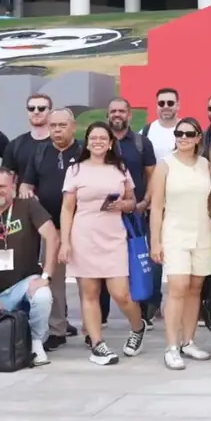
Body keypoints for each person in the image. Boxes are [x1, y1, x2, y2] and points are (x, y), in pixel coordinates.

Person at [60, 122, 148, 366]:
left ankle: (137, 327)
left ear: (110, 143)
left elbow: (132, 201)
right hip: (84, 234)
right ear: (86, 142)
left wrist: (124, 205)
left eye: (103, 138)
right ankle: (97, 344)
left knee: (121, 294)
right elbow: (67, 209)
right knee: (89, 294)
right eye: (93, 137)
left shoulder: (119, 169)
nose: (97, 141)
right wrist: (65, 242)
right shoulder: (75, 170)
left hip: (114, 235)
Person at [0, 168, 58, 366]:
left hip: (27, 282)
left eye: (2, 186)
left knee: (42, 294)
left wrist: (46, 275)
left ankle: (36, 343)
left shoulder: (28, 206)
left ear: (13, 188)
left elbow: (52, 236)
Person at [148, 116, 211, 370]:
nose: (184, 138)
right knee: (177, 287)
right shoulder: (164, 165)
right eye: (179, 133)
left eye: (189, 134)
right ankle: (172, 346)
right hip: (175, 233)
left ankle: (189, 341)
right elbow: (156, 207)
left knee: (195, 288)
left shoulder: (205, 164)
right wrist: (155, 242)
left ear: (199, 137)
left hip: (203, 233)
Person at [22, 107, 86, 350]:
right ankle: (57, 329)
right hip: (51, 229)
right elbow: (27, 183)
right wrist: (26, 192)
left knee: (87, 280)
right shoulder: (40, 152)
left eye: (62, 126)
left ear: (73, 127)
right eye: (53, 126)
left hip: (83, 226)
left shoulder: (84, 152)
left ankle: (91, 330)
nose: (57, 130)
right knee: (54, 281)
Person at [109, 96, 160, 324]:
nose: (116, 115)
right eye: (113, 111)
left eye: (121, 111)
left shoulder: (141, 142)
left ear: (129, 115)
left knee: (141, 260)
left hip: (136, 214)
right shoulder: (100, 141)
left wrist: (145, 202)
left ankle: (146, 312)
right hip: (107, 214)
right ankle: (102, 316)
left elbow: (152, 176)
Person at [5, 93, 55, 193]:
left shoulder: (59, 142)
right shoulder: (15, 145)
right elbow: (8, 179)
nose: (36, 112)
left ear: (50, 111)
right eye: (31, 108)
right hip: (24, 204)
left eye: (41, 108)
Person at [142, 87, 181, 161]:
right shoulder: (146, 131)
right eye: (161, 103)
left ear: (178, 105)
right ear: (157, 105)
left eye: (170, 103)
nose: (166, 106)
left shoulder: (188, 130)